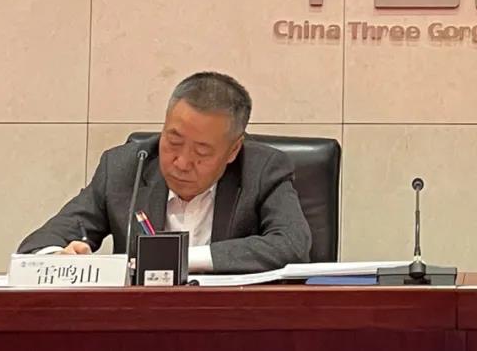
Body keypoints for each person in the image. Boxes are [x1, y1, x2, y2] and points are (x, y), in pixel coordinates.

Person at [18, 72, 311, 273]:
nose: (181, 162)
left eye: (202, 152)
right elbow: (37, 245)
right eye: (173, 141)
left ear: (233, 150)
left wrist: (178, 258)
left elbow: (292, 244)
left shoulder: (262, 170)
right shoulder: (125, 168)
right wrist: (57, 259)